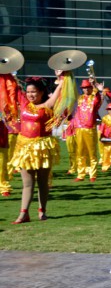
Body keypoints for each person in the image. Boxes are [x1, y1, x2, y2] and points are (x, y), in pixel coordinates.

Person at [10, 73, 67, 224]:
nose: (30, 94)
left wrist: (62, 79)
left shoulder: (47, 106)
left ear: (41, 92)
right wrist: (7, 70)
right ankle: (23, 214)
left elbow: (57, 94)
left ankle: (42, 211)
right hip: (25, 148)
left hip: (42, 147)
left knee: (43, 182)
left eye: (34, 91)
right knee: (27, 184)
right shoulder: (23, 102)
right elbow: (12, 86)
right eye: (28, 91)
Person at [71, 79, 102, 182]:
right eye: (84, 88)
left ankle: (92, 174)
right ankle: (81, 174)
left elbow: (98, 97)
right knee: (80, 152)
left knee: (92, 152)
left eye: (88, 88)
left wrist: (94, 84)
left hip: (89, 128)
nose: (86, 90)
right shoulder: (79, 99)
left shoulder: (94, 99)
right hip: (79, 128)